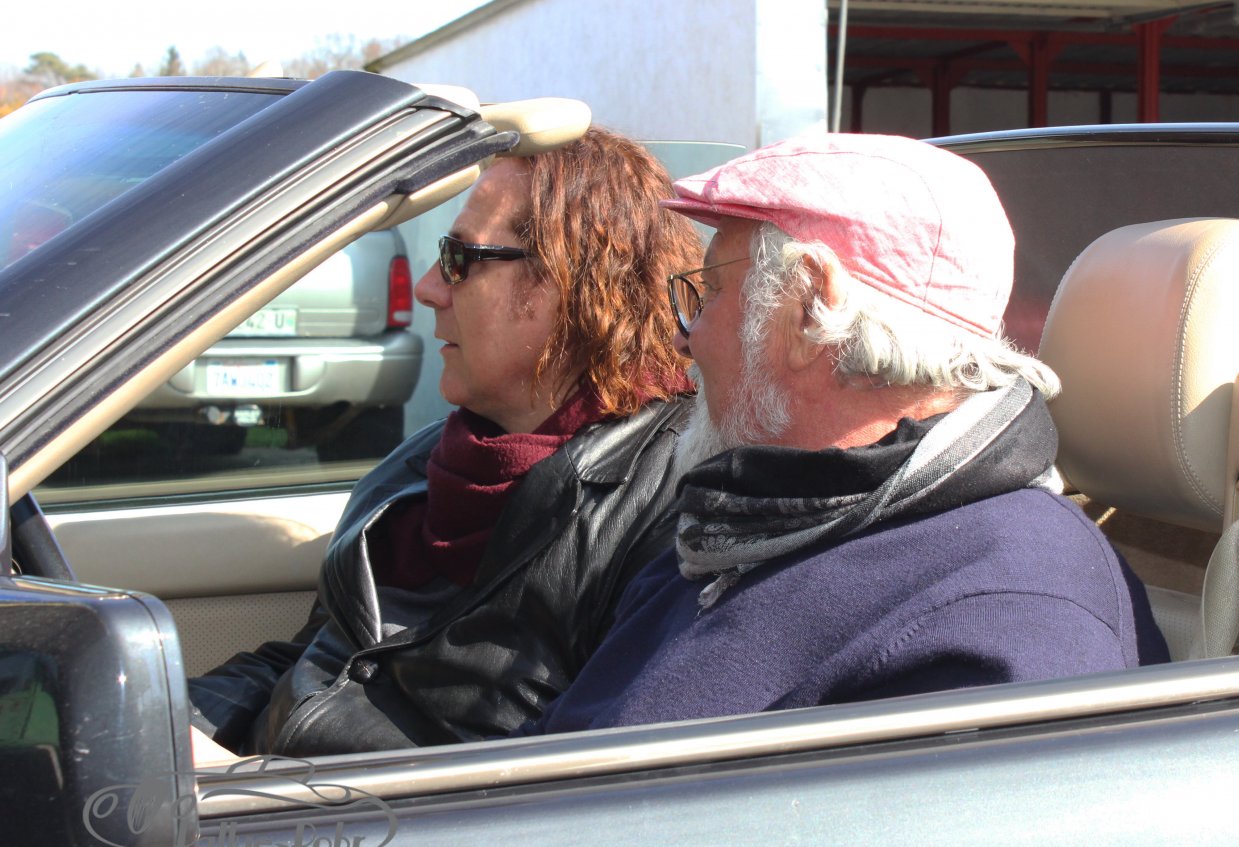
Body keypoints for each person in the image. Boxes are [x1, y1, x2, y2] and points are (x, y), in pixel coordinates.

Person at [530, 133, 1168, 736]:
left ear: (812, 308)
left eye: (711, 291)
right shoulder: (753, 520)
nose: (682, 337)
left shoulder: (1013, 608)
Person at [188, 126, 703, 758]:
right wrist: (158, 728)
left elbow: (571, 775)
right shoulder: (417, 468)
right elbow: (315, 662)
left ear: (573, 282)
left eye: (460, 259)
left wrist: (262, 788)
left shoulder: (671, 501)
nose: (429, 288)